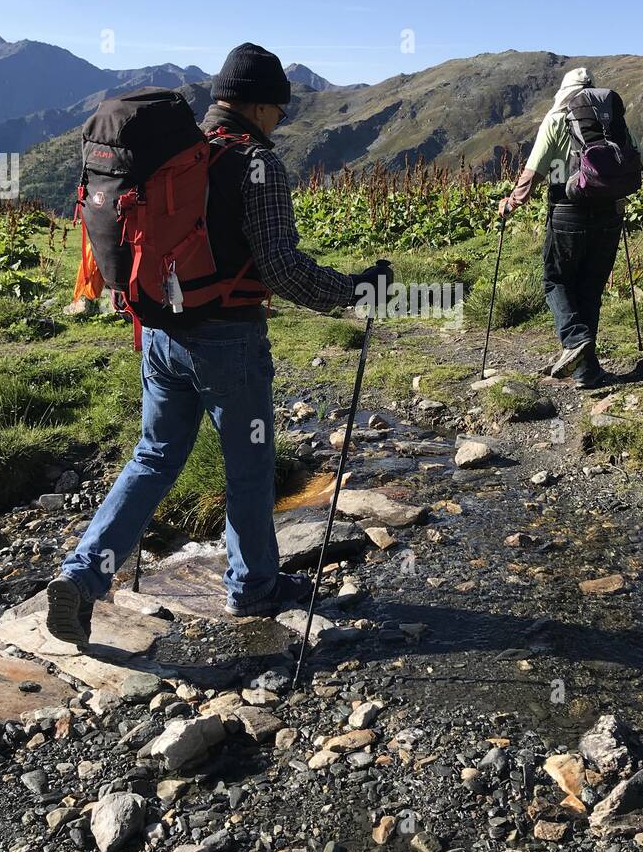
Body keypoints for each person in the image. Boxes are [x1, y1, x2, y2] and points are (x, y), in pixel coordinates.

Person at [45, 42, 390, 648]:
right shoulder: (254, 164)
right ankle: (253, 587)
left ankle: (82, 575)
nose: (281, 122)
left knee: (153, 457)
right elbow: (281, 268)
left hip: (158, 332)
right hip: (227, 339)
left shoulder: (173, 156)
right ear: (259, 107)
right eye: (279, 111)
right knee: (249, 466)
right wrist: (357, 292)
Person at [498, 66, 643, 387]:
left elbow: (534, 172)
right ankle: (586, 371)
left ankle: (573, 340)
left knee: (556, 281)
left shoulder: (557, 119)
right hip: (610, 216)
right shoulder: (614, 124)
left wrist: (511, 202)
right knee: (590, 289)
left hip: (568, 214)